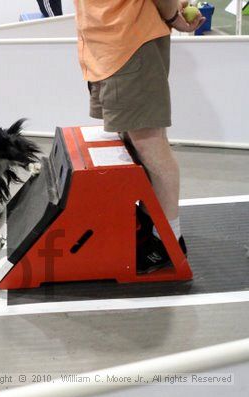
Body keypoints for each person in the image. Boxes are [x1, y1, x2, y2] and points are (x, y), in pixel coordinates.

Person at [74, 0, 205, 273]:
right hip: (108, 44)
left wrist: (172, 16)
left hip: (129, 43)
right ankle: (151, 221)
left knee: (150, 146)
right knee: (135, 140)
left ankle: (168, 240)